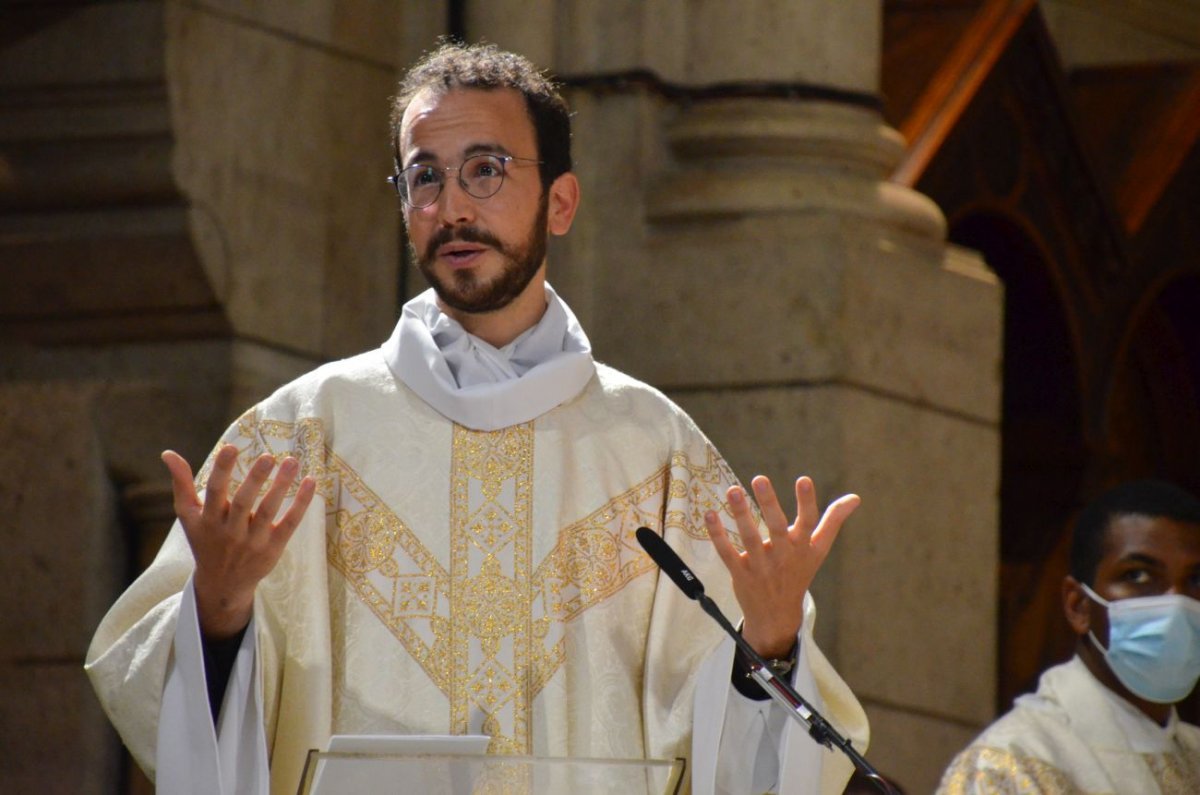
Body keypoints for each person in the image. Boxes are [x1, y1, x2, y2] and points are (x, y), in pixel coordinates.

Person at [86, 42, 868, 795]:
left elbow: (747, 754)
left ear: (560, 202)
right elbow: (158, 699)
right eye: (424, 178)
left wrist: (768, 641)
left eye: (485, 171)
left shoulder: (654, 449)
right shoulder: (297, 436)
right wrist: (217, 611)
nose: (451, 206)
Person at [936, 479, 1200, 793]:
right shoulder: (1009, 763)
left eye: (1195, 579)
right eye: (1138, 576)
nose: (1176, 602)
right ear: (1079, 606)